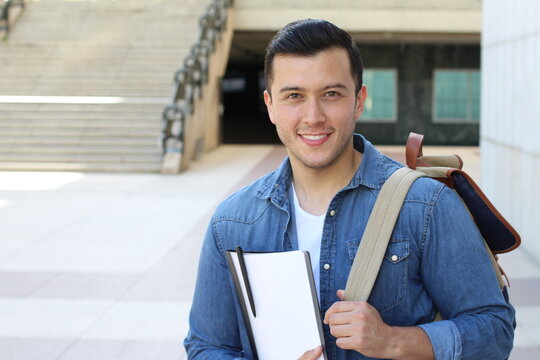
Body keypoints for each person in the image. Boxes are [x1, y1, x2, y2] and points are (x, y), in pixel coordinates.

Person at [184, 19, 515, 360]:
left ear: (359, 101)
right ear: (270, 105)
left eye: (331, 94)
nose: (313, 116)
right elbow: (207, 347)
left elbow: (495, 331)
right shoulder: (232, 222)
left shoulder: (426, 205)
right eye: (294, 96)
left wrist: (392, 341)